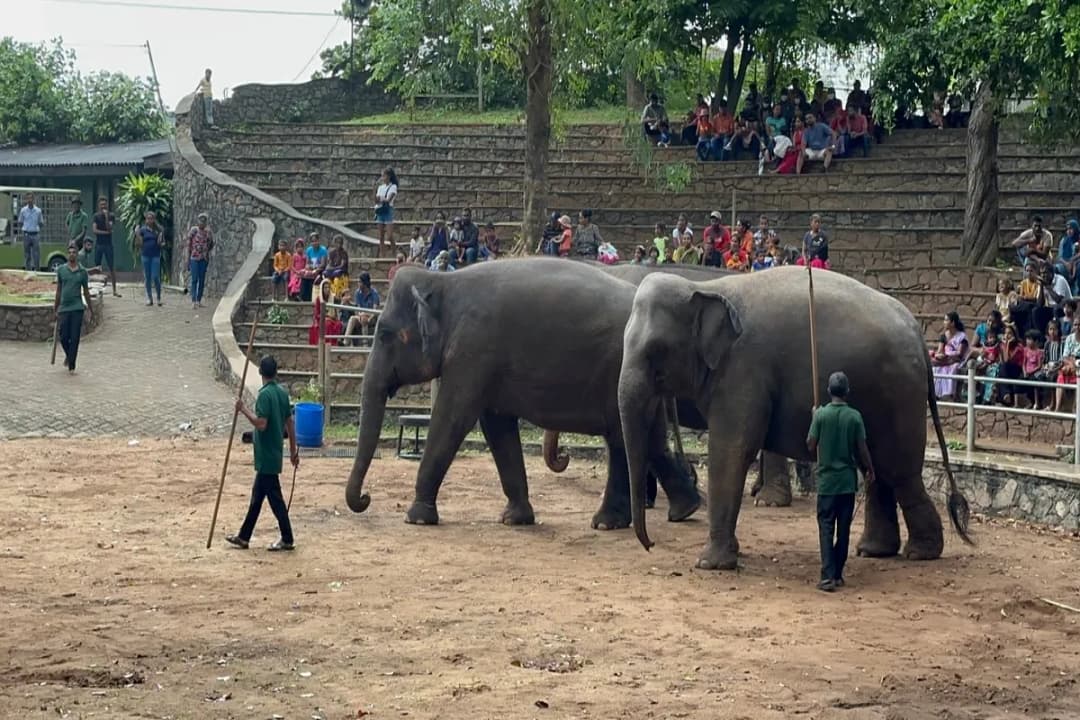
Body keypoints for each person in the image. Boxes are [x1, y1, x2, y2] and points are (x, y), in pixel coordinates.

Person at [807, 371, 873, 593]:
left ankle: (827, 576)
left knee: (825, 528)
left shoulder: (821, 415)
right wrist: (869, 470)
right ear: (847, 392)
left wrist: (814, 417)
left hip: (826, 483)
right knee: (843, 529)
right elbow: (862, 449)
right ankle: (837, 573)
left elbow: (810, 444)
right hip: (846, 482)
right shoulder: (854, 417)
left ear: (828, 391)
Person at [225, 355, 298, 552]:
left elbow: (261, 424)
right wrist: (293, 451)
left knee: (274, 499)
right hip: (274, 452)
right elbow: (290, 424)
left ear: (260, 372)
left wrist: (243, 410)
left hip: (266, 455)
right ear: (275, 372)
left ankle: (287, 537)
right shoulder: (282, 394)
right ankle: (244, 537)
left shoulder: (264, 395)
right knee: (258, 498)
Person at [53, 242, 94, 375]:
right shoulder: (61, 270)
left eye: (74, 252)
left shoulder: (82, 272)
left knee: (75, 337)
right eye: (69, 252)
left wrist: (90, 309)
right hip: (64, 308)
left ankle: (72, 365)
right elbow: (59, 290)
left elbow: (86, 292)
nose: (72, 254)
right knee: (64, 337)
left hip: (77, 307)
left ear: (77, 254)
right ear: (67, 254)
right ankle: (69, 355)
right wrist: (56, 307)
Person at [931, 312, 969, 399]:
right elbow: (940, 351)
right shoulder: (944, 336)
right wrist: (940, 355)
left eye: (946, 320)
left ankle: (950, 393)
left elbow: (960, 353)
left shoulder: (962, 337)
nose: (944, 322)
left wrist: (949, 356)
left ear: (952, 323)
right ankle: (937, 394)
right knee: (936, 368)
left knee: (953, 368)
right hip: (945, 359)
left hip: (956, 360)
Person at [136, 210, 165, 307]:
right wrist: (137, 234)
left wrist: (161, 242)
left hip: (155, 256)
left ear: (154, 219)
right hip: (145, 255)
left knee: (155, 277)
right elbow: (139, 244)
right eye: (148, 218)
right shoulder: (143, 230)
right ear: (145, 220)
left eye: (151, 218)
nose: (150, 220)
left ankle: (159, 297)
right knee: (147, 277)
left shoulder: (158, 230)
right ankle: (149, 298)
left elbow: (162, 243)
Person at [92, 197, 120, 297]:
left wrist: (107, 217)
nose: (103, 206)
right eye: (101, 204)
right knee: (97, 268)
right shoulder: (96, 216)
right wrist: (106, 232)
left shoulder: (111, 215)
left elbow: (110, 227)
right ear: (99, 205)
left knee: (111, 267)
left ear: (107, 205)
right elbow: (94, 231)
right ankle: (97, 290)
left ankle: (114, 290)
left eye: (104, 204)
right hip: (99, 245)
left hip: (108, 245)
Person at [186, 212, 214, 309]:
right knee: (194, 279)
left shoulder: (208, 232)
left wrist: (206, 251)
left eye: (204, 221)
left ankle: (199, 300)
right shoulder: (193, 231)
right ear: (197, 221)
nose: (202, 222)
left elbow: (211, 245)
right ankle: (193, 300)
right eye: (200, 220)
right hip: (194, 258)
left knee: (202, 280)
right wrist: (188, 259)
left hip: (204, 259)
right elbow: (189, 245)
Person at [1035, 320, 1063, 411]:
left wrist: (1054, 369)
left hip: (1057, 367)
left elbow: (1062, 360)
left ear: (1058, 330)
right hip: (1048, 366)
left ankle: (1052, 403)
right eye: (1050, 329)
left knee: (1053, 377)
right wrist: (1045, 366)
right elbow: (1045, 358)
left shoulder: (1061, 343)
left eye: (1055, 329)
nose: (1052, 332)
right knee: (1037, 376)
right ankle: (1037, 403)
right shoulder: (1047, 344)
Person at [345, 272, 380, 342]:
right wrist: (361, 315)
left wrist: (367, 316)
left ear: (365, 283)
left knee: (364, 319)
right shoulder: (357, 293)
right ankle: (345, 341)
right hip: (361, 315)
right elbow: (357, 309)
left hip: (372, 317)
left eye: (360, 282)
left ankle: (365, 343)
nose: (358, 284)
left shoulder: (374, 293)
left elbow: (375, 310)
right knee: (352, 318)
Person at [374, 168, 399, 257]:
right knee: (381, 236)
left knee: (389, 235)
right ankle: (383, 255)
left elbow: (388, 200)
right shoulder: (380, 187)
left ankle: (394, 253)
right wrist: (374, 191)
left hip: (388, 210)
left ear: (388, 176)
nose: (382, 178)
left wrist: (381, 199)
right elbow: (376, 200)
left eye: (384, 176)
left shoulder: (393, 187)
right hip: (380, 210)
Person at [18, 193, 43, 271]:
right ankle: (28, 271)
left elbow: (41, 222)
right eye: (28, 198)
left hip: (35, 234)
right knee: (27, 255)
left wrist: (36, 228)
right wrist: (25, 228)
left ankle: (37, 271)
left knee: (36, 255)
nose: (29, 200)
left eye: (31, 198)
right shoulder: (23, 210)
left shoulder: (38, 211)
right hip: (26, 234)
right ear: (26, 200)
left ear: (33, 199)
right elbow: (20, 222)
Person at [301, 232, 328, 302]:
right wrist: (308, 269)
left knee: (314, 276)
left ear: (319, 241)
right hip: (311, 269)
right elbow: (307, 263)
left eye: (315, 241)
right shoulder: (309, 250)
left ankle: (312, 298)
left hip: (320, 271)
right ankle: (304, 298)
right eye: (312, 241)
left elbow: (323, 264)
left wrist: (315, 270)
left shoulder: (323, 250)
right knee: (304, 275)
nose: (314, 243)